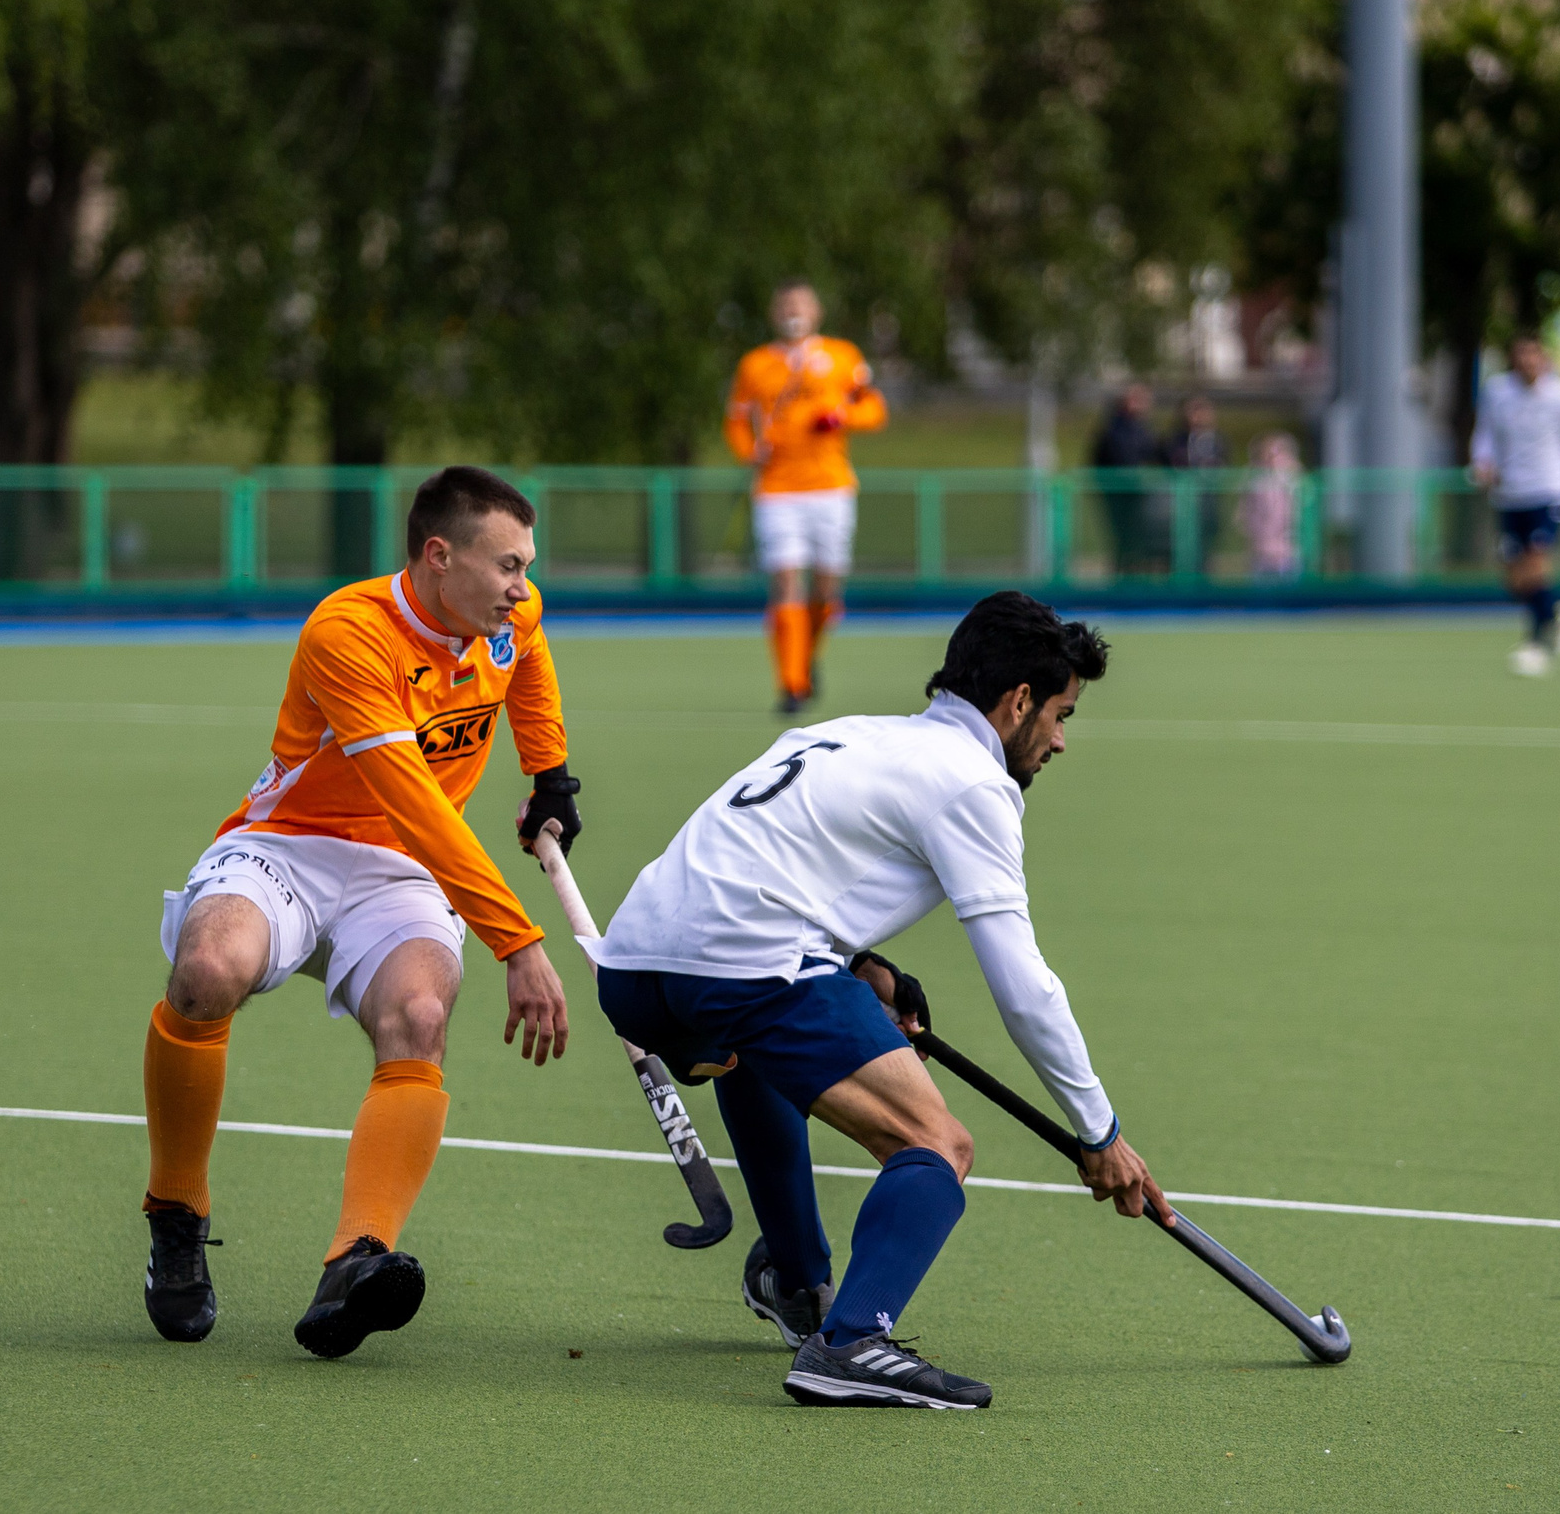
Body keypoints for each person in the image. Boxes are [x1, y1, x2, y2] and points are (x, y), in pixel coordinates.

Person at [592, 591, 1168, 1410]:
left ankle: (796, 1280)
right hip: (750, 962)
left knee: (750, 1054)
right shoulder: (973, 781)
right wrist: (1099, 1130)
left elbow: (768, 865)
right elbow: (1025, 987)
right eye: (1062, 714)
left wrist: (867, 970)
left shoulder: (847, 733)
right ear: (1018, 703)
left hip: (634, 963)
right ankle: (852, 1339)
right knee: (938, 1144)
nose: (1061, 739)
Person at [138, 466, 582, 1359]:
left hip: (402, 872)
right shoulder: (349, 631)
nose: (521, 588)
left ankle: (355, 1258)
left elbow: (527, 665)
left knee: (420, 1013)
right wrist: (516, 940)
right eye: (506, 566)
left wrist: (549, 774)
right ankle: (176, 1211)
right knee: (205, 972)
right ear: (436, 555)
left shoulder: (510, 616)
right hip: (289, 844)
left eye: (527, 566)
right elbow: (413, 800)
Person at [726, 279, 889, 714]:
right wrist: (749, 451)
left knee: (827, 585)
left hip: (831, 486)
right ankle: (791, 684)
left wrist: (842, 416)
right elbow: (737, 421)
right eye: (785, 306)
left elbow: (875, 408)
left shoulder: (842, 356)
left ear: (816, 312)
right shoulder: (756, 364)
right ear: (773, 313)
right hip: (777, 490)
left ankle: (807, 654)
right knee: (784, 581)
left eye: (800, 305)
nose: (792, 312)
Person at [1469, 333, 1560, 677]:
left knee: (1536, 563)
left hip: (1549, 490)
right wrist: (1482, 461)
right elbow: (1486, 433)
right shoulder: (1498, 392)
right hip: (1510, 493)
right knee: (1516, 580)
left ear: (1543, 359)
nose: (1529, 363)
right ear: (1513, 360)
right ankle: (1554, 614)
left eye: (1534, 355)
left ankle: (1536, 642)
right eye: (1522, 356)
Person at [1089, 383, 1163, 575]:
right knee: (1125, 540)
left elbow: (1155, 454)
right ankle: (1124, 577)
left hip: (1138, 495)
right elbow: (1114, 458)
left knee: (1140, 539)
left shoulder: (1143, 429)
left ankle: (1135, 575)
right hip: (1120, 495)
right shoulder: (1114, 429)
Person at [1165, 393, 1228, 575]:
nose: (1197, 416)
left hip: (1206, 502)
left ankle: (1204, 585)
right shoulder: (1175, 440)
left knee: (1204, 548)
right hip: (1179, 504)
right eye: (1193, 411)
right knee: (1178, 547)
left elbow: (1223, 466)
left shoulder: (1216, 440)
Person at [1240, 432, 1303, 580]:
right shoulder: (1256, 483)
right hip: (1262, 551)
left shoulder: (1295, 482)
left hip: (1288, 551)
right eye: (1268, 454)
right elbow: (1246, 515)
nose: (1272, 459)